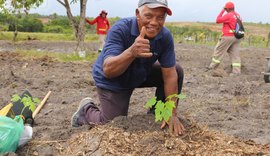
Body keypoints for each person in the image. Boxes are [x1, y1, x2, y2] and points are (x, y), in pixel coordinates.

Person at [72, 0, 185, 136]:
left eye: (160, 17)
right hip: (113, 77)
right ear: (138, 14)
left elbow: (170, 75)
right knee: (112, 125)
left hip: (139, 72)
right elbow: (108, 70)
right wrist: (131, 52)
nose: (154, 22)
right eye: (148, 16)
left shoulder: (165, 36)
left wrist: (172, 113)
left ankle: (157, 113)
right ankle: (85, 111)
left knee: (177, 71)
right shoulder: (120, 29)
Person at [208, 2, 242, 75]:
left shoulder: (228, 15)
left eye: (226, 9)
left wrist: (222, 11)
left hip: (228, 36)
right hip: (237, 37)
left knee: (218, 50)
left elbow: (217, 20)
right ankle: (236, 72)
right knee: (235, 54)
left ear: (227, 9)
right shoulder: (238, 15)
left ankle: (212, 67)